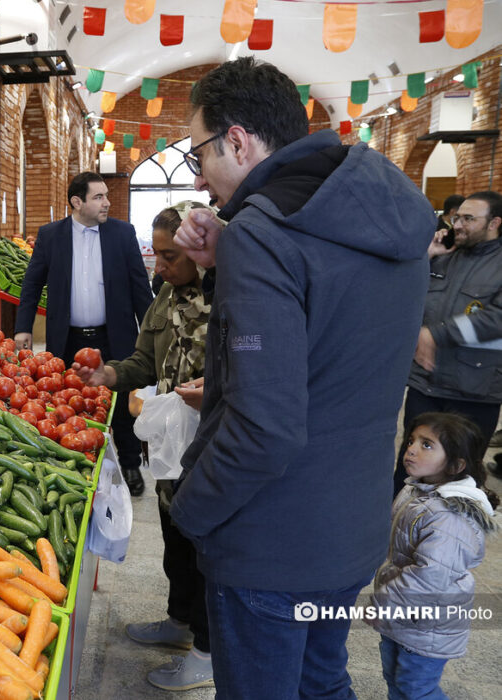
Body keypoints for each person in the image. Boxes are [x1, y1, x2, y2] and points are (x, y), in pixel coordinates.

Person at [170, 57, 435, 699]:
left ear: (236, 140)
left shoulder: (264, 234)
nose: (200, 177)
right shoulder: (379, 207)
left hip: (273, 540)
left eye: (198, 152)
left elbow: (265, 429)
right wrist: (221, 260)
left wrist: (191, 510)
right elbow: (332, 332)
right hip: (350, 522)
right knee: (321, 680)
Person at [75, 201, 215, 691]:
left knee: (206, 548)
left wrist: (213, 390)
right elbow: (142, 361)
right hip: (172, 443)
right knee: (175, 534)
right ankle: (179, 622)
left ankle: (207, 651)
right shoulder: (164, 296)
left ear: (201, 251)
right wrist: (107, 374)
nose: (161, 266)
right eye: (157, 255)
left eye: (171, 256)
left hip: (214, 446)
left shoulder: (233, 295)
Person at [14, 171, 153, 494]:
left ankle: (131, 466)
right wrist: (23, 326)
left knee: (119, 405)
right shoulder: (51, 236)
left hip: (113, 336)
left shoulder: (122, 233)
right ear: (77, 202)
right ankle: (72, 467)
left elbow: (139, 288)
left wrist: (149, 335)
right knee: (67, 402)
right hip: (68, 338)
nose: (107, 203)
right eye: (99, 197)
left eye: (105, 195)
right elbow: (32, 283)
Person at [371, 412, 497, 700]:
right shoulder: (417, 488)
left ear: (455, 464)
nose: (411, 449)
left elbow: (431, 577)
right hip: (407, 614)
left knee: (417, 688)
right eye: (412, 440)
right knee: (396, 678)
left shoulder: (450, 516)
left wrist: (383, 602)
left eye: (427, 445)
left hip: (429, 622)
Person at [396, 191, 502, 493]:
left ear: (494, 222)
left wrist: (437, 333)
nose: (458, 224)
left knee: (460, 475)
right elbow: (405, 297)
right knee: (410, 467)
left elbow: (497, 319)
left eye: (469, 218)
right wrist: (425, 257)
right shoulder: (444, 256)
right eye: (457, 217)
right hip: (425, 384)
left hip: (474, 390)